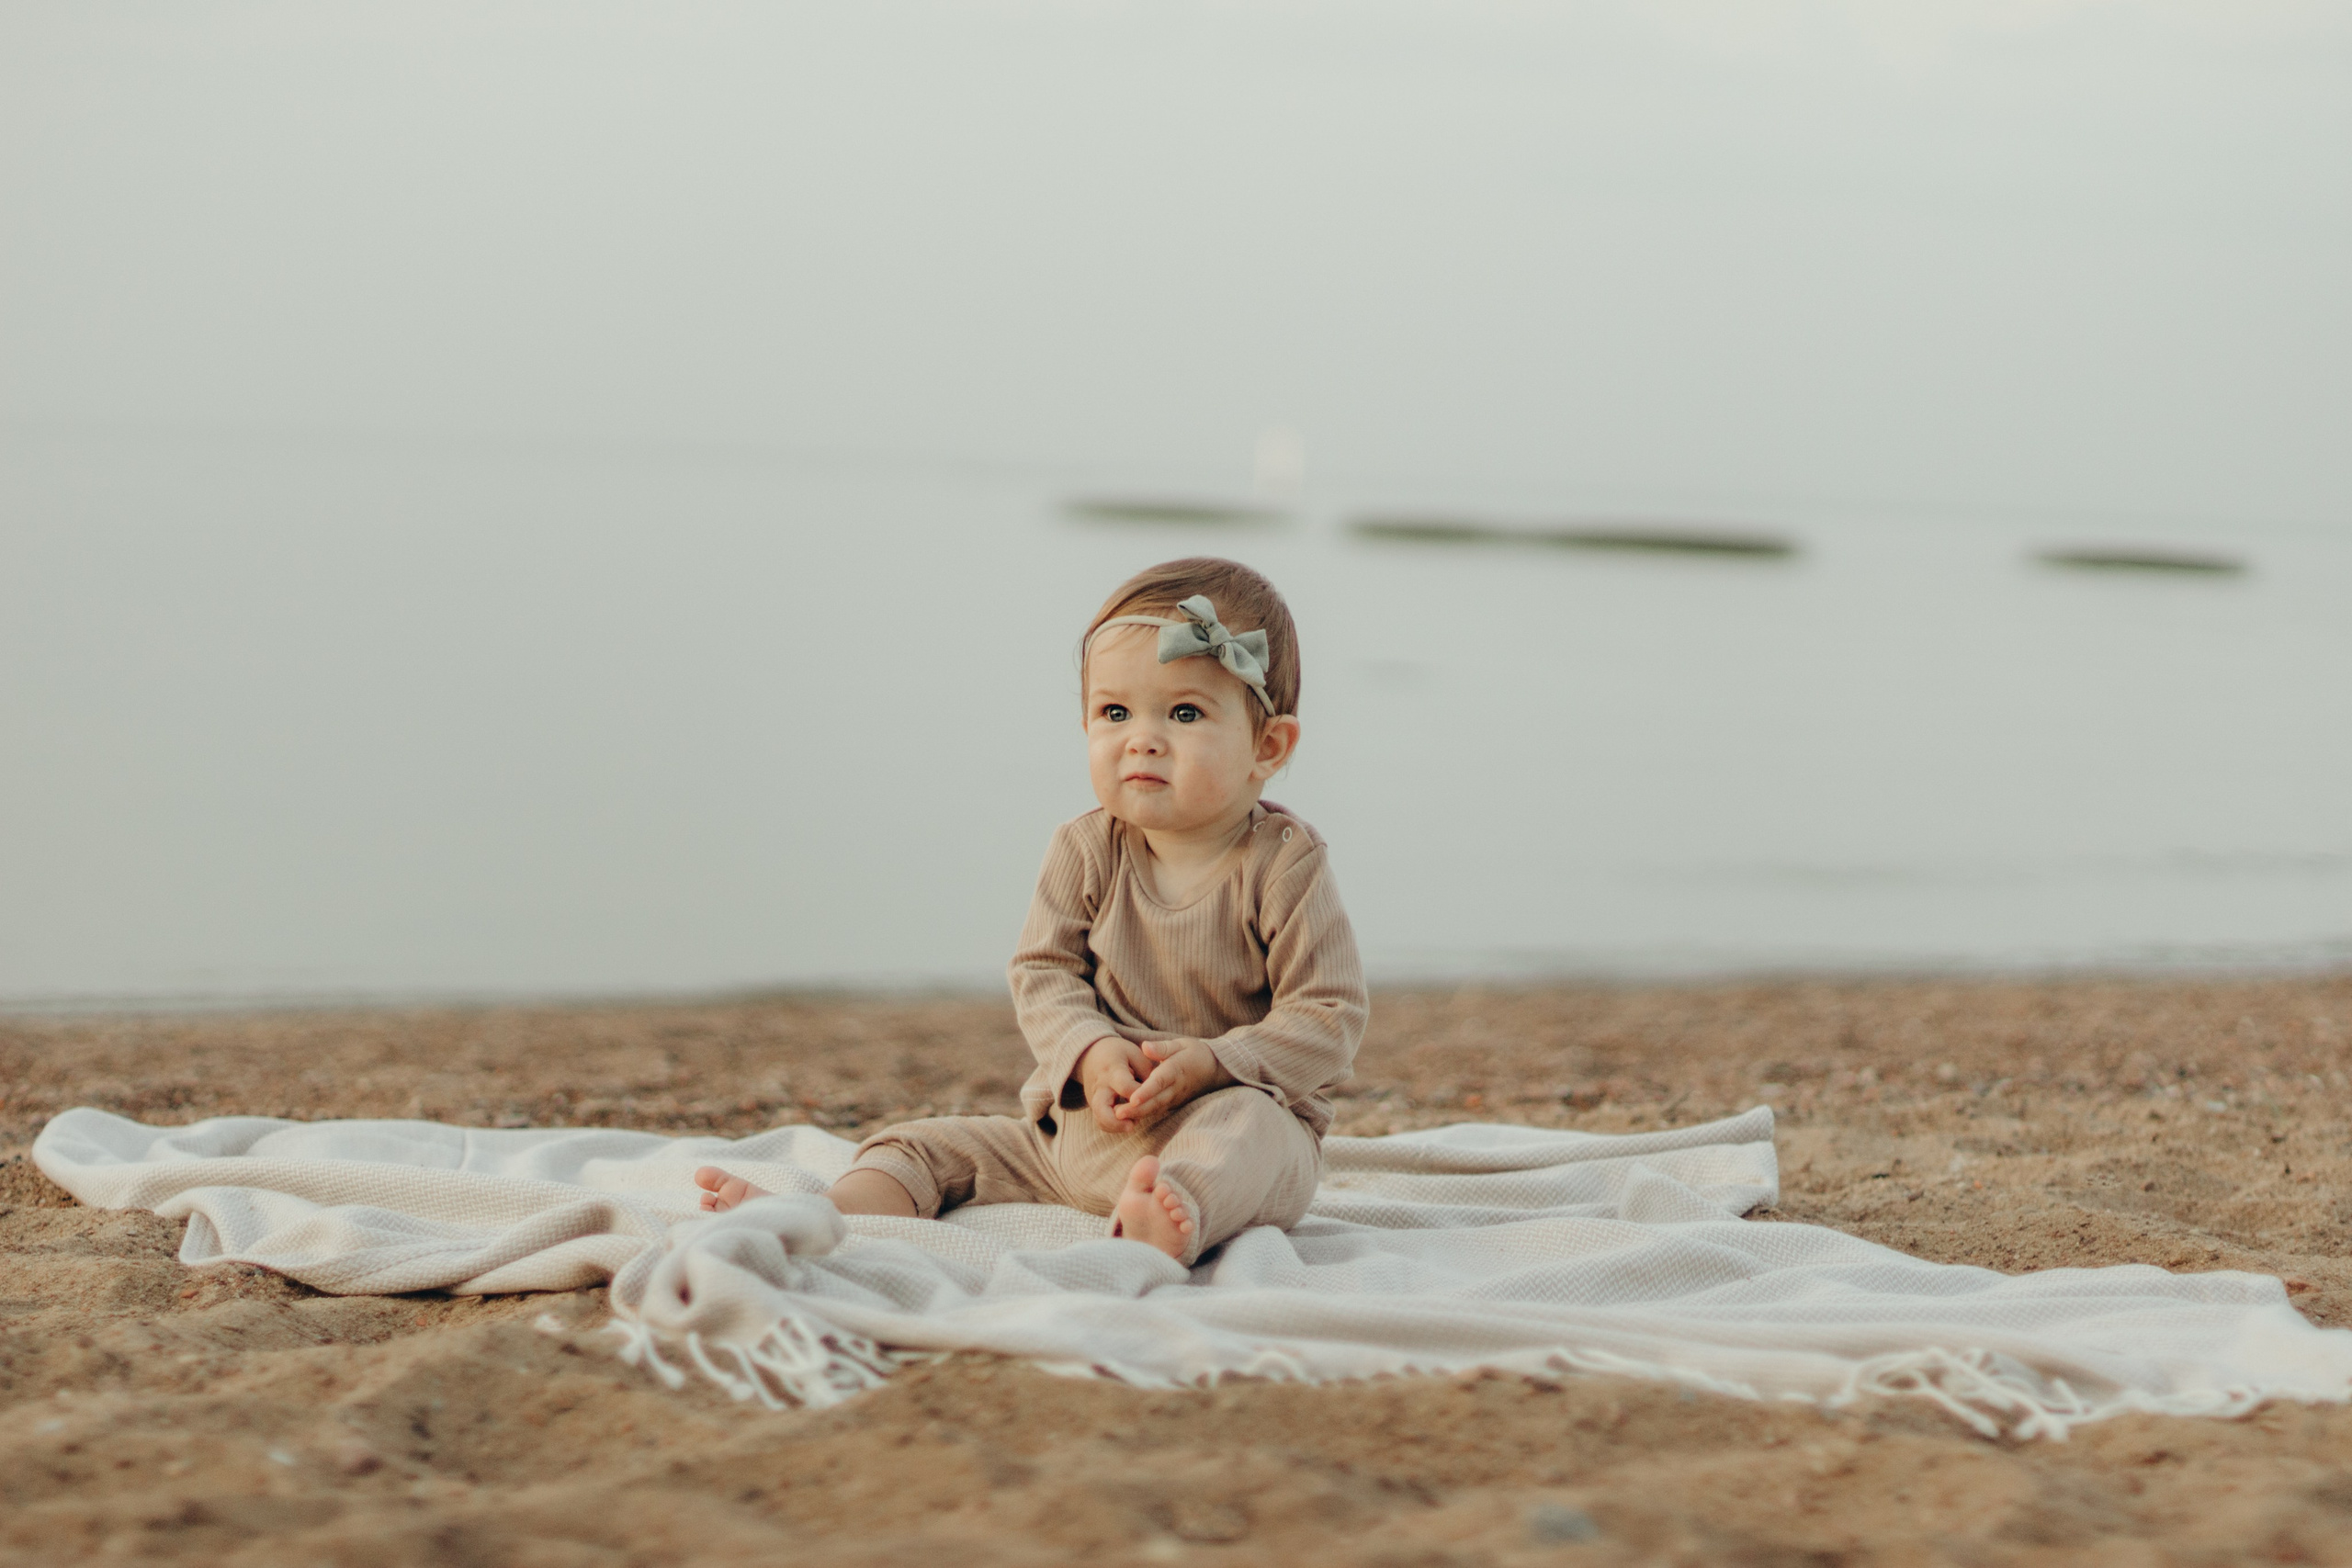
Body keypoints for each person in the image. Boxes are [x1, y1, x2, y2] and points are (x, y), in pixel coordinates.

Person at [694, 557, 1367, 1263]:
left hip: (1233, 1120)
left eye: (1186, 712)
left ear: (1269, 746)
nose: (1142, 737)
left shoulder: (1284, 862)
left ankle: (1171, 1214)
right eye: (1115, 712)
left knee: (1248, 1129)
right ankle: (820, 1214)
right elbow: (1043, 972)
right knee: (924, 1144)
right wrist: (1091, 1050)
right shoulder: (1085, 847)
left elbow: (1329, 1014)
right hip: (1083, 1132)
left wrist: (1215, 1062)